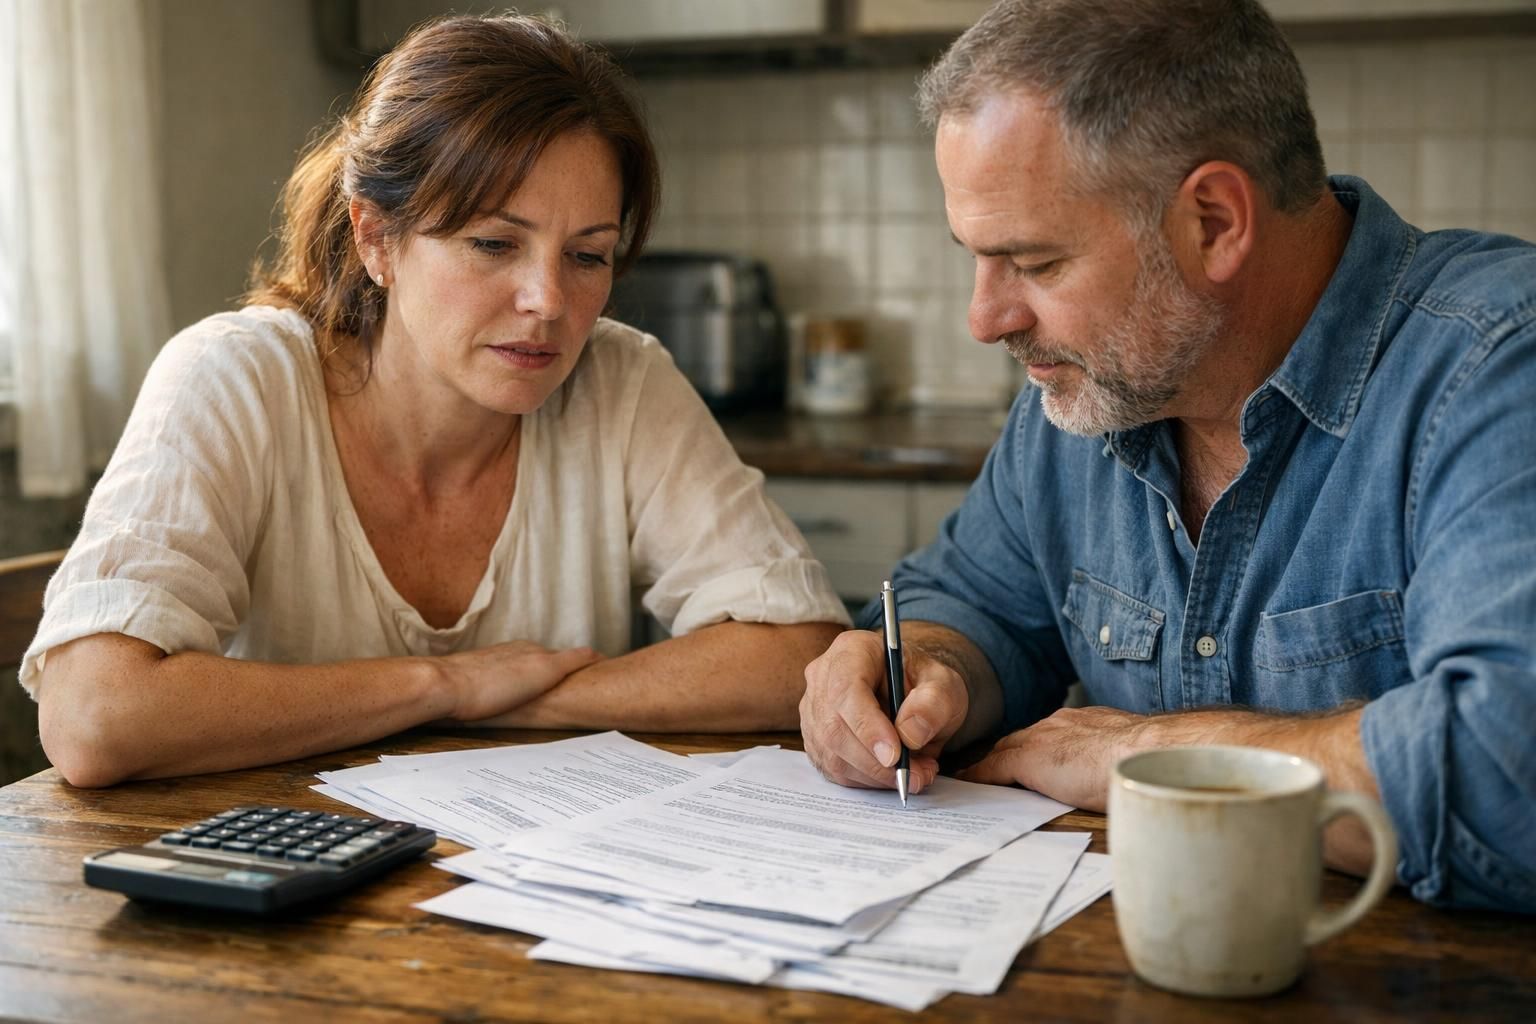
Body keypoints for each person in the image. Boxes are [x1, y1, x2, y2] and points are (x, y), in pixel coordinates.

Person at [800, 0, 1535, 913]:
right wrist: (924, 671)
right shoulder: (1089, 390)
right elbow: (973, 601)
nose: (985, 318)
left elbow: (1512, 767)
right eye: (976, 260)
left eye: (1032, 262)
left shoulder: (1497, 369)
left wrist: (1139, 755)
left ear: (1215, 222)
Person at [22, 13, 849, 788]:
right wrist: (444, 684)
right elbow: (97, 717)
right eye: (494, 244)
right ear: (377, 238)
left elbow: (796, 656)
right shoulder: (236, 379)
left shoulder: (621, 382)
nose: (548, 302)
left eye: (588, 256)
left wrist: (520, 698)